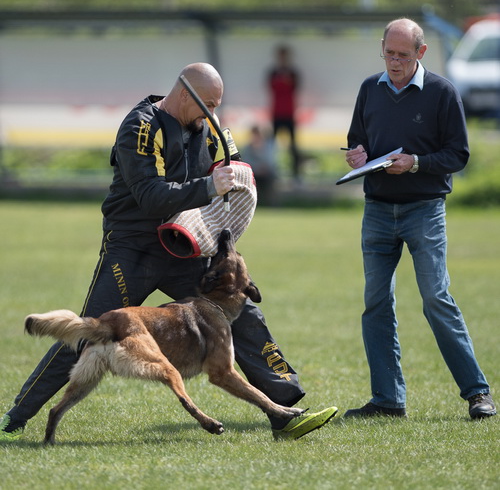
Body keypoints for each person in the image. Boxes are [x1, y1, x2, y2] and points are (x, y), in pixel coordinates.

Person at [0, 63, 337, 442]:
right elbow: (149, 196)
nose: (213, 113)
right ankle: (17, 414)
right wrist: (209, 185)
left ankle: (285, 410)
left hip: (183, 244)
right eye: (208, 104)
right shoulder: (140, 126)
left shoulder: (207, 126)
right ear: (183, 93)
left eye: (217, 105)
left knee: (241, 308)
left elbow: (234, 162)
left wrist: (239, 179)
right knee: (89, 330)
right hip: (133, 248)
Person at [342, 19, 496, 420]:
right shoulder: (368, 88)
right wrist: (356, 155)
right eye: (388, 53)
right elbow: (357, 139)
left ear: (421, 53)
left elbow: (457, 155)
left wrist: (414, 164)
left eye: (403, 55)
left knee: (435, 299)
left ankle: (478, 393)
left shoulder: (443, 93)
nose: (394, 62)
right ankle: (388, 401)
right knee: (376, 304)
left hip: (424, 209)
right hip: (376, 209)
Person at [267, 45, 302, 181]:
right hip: (276, 113)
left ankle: (296, 174)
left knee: (293, 145)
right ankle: (272, 172)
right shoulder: (273, 72)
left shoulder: (293, 72)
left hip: (289, 113)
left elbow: (295, 88)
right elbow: (271, 88)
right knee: (272, 146)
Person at [242, 125, 278, 206]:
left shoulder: (268, 147)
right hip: (253, 172)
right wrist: (257, 168)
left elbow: (270, 161)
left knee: (270, 179)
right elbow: (246, 162)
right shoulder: (248, 148)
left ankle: (271, 203)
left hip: (266, 173)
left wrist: (263, 168)